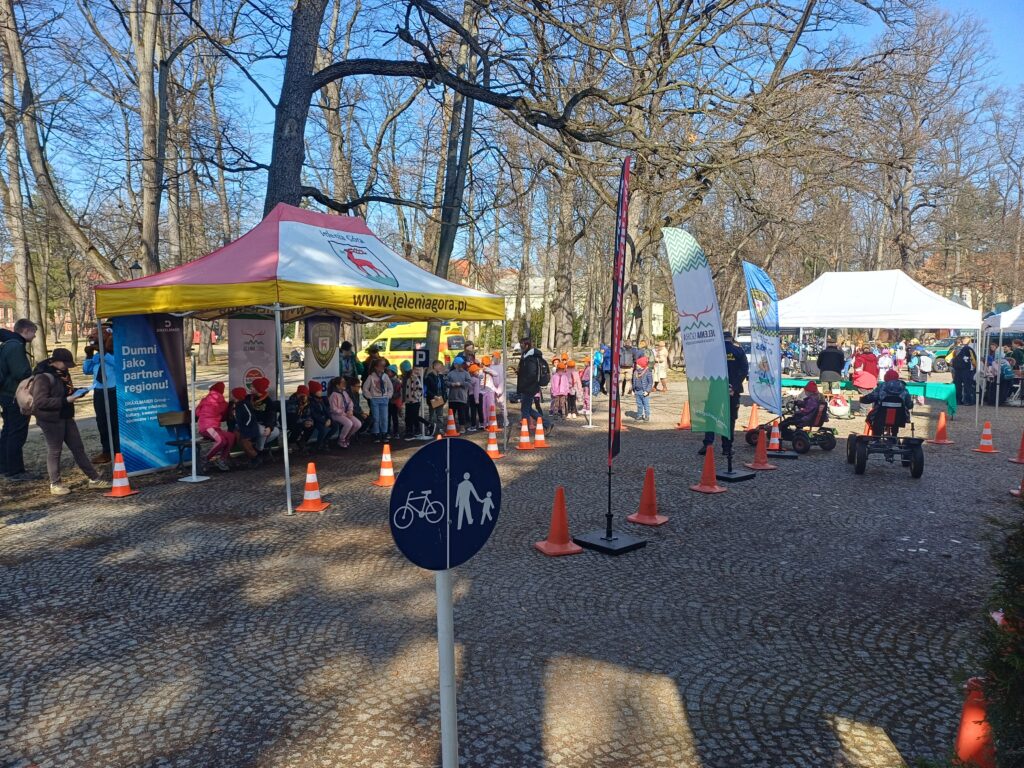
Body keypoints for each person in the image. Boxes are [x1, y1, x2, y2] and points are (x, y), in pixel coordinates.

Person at [28, 348, 110, 495]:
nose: (67, 367)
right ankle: (55, 484)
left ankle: (94, 479)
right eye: (65, 364)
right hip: (50, 419)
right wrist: (66, 400)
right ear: (55, 361)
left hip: (66, 415)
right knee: (55, 450)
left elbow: (66, 391)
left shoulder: (63, 373)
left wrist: (79, 391)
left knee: (78, 448)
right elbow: (40, 402)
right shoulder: (43, 377)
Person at [700, 331, 748, 455]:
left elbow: (707, 370)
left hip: (716, 388)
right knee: (729, 419)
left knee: (711, 416)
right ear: (732, 338)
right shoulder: (739, 351)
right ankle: (727, 447)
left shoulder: (713, 352)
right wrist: (733, 387)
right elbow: (744, 371)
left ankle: (708, 445)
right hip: (733, 391)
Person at [0, 318, 37, 481]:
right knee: (16, 432)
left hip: (6, 394)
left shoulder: (8, 344)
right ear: (26, 330)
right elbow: (21, 372)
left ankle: (4, 467)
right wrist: (34, 375)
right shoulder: (15, 346)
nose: (35, 336)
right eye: (34, 332)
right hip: (14, 395)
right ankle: (15, 471)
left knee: (8, 431)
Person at [82, 326, 119, 463]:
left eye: (97, 335)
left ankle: (118, 451)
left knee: (114, 422)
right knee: (102, 422)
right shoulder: (97, 355)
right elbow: (87, 370)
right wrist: (89, 356)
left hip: (113, 391)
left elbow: (118, 365)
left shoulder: (115, 354)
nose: (93, 338)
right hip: (99, 392)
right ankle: (106, 451)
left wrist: (105, 353)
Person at [196, 381, 235, 471]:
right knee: (222, 440)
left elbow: (197, 413)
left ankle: (221, 460)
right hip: (209, 428)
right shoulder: (223, 402)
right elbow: (225, 416)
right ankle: (206, 459)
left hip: (206, 427)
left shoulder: (204, 399)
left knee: (230, 436)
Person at [516, 337, 547, 427]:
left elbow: (532, 374)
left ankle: (527, 426)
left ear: (526, 345)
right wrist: (519, 372)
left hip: (529, 387)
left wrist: (524, 382)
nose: (520, 346)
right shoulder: (526, 356)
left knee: (525, 409)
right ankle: (546, 423)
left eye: (521, 344)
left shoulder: (531, 358)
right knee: (527, 408)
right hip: (527, 386)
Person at [361, 357, 393, 443]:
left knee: (384, 417)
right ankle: (376, 433)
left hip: (384, 399)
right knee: (376, 417)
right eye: (381, 366)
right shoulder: (371, 377)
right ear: (376, 367)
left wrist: (388, 396)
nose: (383, 368)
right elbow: (365, 388)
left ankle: (384, 432)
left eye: (384, 366)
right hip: (375, 399)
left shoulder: (385, 376)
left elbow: (390, 387)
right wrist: (370, 397)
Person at [230, 387, 263, 467]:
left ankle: (255, 458)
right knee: (242, 443)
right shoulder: (237, 404)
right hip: (243, 428)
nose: (231, 396)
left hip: (249, 429)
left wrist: (245, 425)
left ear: (237, 395)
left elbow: (250, 416)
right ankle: (252, 458)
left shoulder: (244, 404)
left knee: (246, 444)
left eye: (233, 394)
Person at [250, 377, 280, 454]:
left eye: (253, 386)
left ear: (258, 389)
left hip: (264, 425)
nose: (250, 388)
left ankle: (257, 447)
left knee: (276, 432)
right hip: (252, 424)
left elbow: (271, 415)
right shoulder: (249, 398)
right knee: (262, 431)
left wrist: (269, 427)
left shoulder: (268, 402)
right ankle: (259, 450)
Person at [328, 376, 361, 448]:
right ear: (337, 385)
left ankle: (347, 437)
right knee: (349, 423)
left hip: (346, 413)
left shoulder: (344, 393)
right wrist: (344, 413)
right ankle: (341, 440)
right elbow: (334, 409)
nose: (345, 384)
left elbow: (350, 402)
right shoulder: (334, 395)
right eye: (342, 382)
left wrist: (350, 410)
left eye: (345, 382)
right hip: (336, 415)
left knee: (358, 424)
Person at [285, 385, 316, 453]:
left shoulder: (307, 402)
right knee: (298, 427)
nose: (304, 397)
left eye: (305, 395)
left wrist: (309, 421)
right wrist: (303, 422)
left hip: (301, 420)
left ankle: (302, 442)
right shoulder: (292, 402)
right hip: (289, 421)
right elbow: (293, 417)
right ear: (298, 394)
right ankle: (291, 442)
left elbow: (308, 414)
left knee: (311, 426)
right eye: (302, 395)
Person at [948, 336, 978, 406]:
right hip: (960, 370)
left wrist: (974, 368)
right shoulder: (956, 349)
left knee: (965, 386)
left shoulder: (967, 349)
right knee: (960, 386)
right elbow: (950, 358)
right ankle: (962, 400)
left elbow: (973, 359)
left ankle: (965, 401)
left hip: (964, 370)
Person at [446, 357, 472, 433]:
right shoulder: (450, 373)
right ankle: (451, 427)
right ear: (455, 365)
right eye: (458, 364)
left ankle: (462, 427)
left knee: (462, 413)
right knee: (451, 414)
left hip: (462, 398)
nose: (460, 366)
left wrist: (461, 384)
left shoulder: (466, 373)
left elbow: (469, 384)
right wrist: (451, 384)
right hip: (452, 398)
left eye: (461, 364)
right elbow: (446, 382)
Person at [401, 361, 425, 439]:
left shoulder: (413, 378)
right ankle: (412, 431)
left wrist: (414, 395)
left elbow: (420, 389)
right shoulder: (406, 378)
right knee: (409, 417)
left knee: (413, 416)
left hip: (414, 401)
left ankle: (413, 431)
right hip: (409, 401)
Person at [307, 380, 333, 449]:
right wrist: (324, 421)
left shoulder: (321, 399)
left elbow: (326, 410)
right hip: (316, 420)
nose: (321, 392)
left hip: (324, 419)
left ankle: (325, 440)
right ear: (314, 392)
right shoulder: (311, 401)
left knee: (335, 425)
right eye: (319, 390)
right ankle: (318, 445)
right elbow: (314, 415)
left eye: (321, 390)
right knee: (322, 430)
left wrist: (329, 418)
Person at [424, 360, 448, 436]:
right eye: (439, 366)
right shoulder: (429, 377)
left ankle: (440, 429)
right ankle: (430, 429)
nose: (441, 367)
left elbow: (443, 388)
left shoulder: (440, 377)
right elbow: (427, 390)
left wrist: (445, 397)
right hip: (433, 398)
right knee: (432, 415)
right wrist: (433, 396)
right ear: (434, 366)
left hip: (440, 397)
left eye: (441, 366)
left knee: (440, 415)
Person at [632, 355, 653, 421]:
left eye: (637, 364)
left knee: (646, 405)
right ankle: (639, 415)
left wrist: (647, 391)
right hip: (637, 391)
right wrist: (633, 390)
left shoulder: (648, 372)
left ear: (641, 365)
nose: (636, 365)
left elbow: (650, 382)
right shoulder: (635, 372)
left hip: (644, 392)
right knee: (639, 405)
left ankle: (647, 416)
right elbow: (633, 381)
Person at [386, 365, 403, 438]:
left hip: (394, 403)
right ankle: (388, 431)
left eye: (388, 371)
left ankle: (396, 432)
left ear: (393, 372)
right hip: (388, 402)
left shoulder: (397, 382)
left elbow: (399, 393)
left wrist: (390, 395)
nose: (387, 372)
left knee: (394, 418)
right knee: (388, 418)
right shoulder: (386, 380)